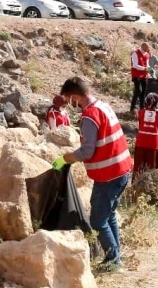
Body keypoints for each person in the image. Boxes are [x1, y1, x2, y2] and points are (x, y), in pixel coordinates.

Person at [53, 77, 133, 270]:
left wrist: (65, 159)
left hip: (109, 175)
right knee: (109, 215)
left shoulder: (89, 116)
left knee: (98, 221)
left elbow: (87, 150)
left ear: (74, 96)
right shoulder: (103, 106)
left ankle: (114, 261)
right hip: (121, 170)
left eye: (68, 99)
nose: (69, 104)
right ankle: (116, 256)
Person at [134, 93, 158, 174]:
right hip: (154, 143)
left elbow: (140, 124)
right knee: (153, 165)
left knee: (139, 165)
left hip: (141, 142)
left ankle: (138, 183)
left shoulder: (141, 112)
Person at [129, 42, 152, 114]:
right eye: (145, 48)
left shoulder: (147, 54)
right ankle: (132, 108)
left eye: (147, 48)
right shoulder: (135, 53)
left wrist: (148, 68)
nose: (146, 49)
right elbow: (135, 65)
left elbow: (147, 64)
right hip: (136, 75)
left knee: (143, 92)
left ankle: (142, 108)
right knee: (138, 90)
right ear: (142, 47)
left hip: (144, 75)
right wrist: (145, 69)